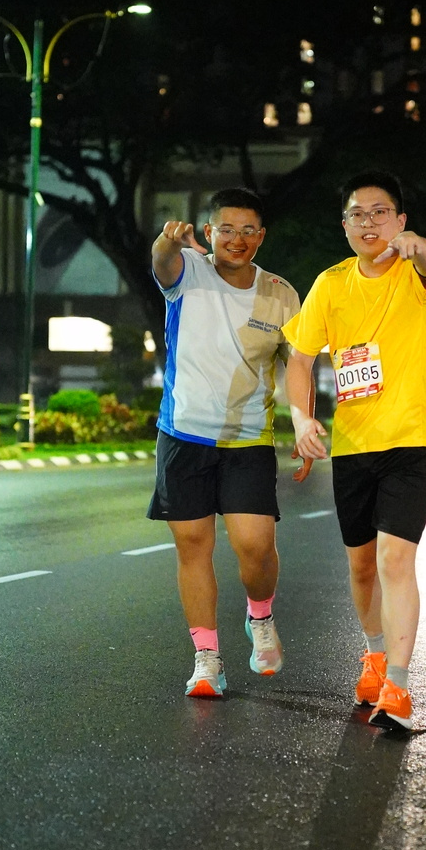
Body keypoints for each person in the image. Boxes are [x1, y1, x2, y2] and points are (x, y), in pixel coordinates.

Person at [283, 171, 426, 732]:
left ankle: (399, 688)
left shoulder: (416, 269)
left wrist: (418, 246)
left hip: (412, 440)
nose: (369, 223)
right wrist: (302, 417)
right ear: (344, 225)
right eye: (357, 214)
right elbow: (300, 358)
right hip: (354, 445)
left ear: (400, 219)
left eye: (380, 212)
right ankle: (375, 657)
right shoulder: (330, 283)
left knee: (394, 560)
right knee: (361, 567)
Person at [147, 187, 304, 698]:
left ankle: (260, 616)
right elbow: (161, 261)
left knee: (255, 547)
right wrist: (168, 241)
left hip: (247, 440)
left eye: (248, 230)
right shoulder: (186, 271)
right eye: (227, 229)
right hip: (183, 434)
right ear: (210, 231)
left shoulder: (281, 294)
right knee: (193, 546)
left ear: (262, 236)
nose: (237, 239)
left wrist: (304, 425)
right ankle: (207, 659)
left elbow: (297, 366)